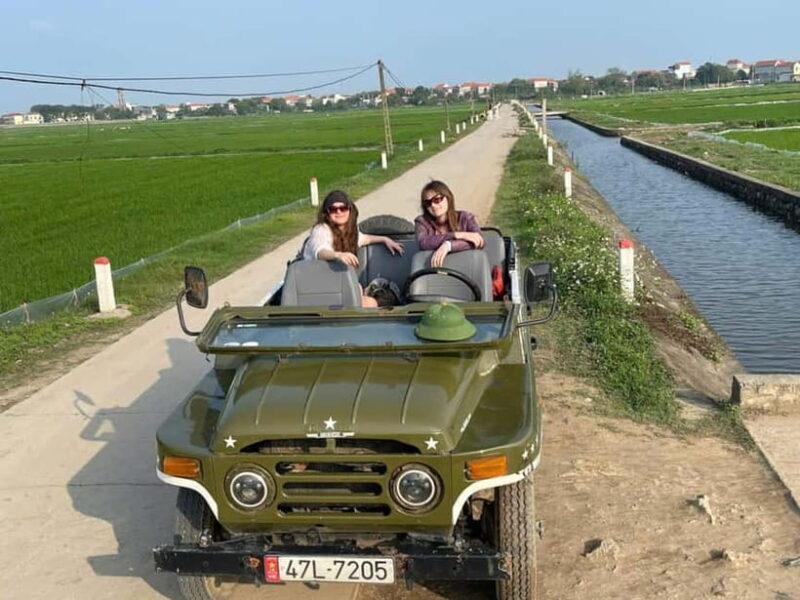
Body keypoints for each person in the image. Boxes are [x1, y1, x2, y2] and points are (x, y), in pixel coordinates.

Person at [303, 190, 404, 307]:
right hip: (316, 286)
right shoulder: (321, 230)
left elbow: (364, 239)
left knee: (358, 290)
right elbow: (320, 251)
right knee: (361, 295)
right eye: (333, 209)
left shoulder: (350, 231)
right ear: (327, 212)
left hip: (336, 285)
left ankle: (380, 299)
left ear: (350, 209)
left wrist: (384, 239)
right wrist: (337, 255)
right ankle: (382, 300)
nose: (339, 212)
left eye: (343, 208)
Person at [414, 180, 484, 268]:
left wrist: (449, 245)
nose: (433, 205)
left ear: (448, 198)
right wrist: (456, 235)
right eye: (428, 203)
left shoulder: (466, 217)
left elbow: (480, 241)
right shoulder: (421, 221)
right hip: (433, 271)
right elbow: (423, 243)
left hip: (466, 267)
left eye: (437, 199)